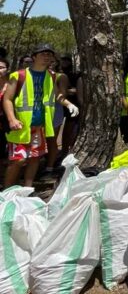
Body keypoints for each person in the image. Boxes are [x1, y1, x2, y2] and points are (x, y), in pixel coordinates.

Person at [3, 44, 78, 188]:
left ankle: (28, 188)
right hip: (20, 127)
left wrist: (69, 104)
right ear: (34, 57)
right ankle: (6, 191)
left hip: (39, 127)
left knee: (35, 157)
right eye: (43, 54)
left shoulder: (51, 76)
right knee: (18, 160)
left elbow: (57, 95)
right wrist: (12, 119)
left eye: (49, 54)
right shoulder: (19, 75)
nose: (47, 57)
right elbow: (7, 99)